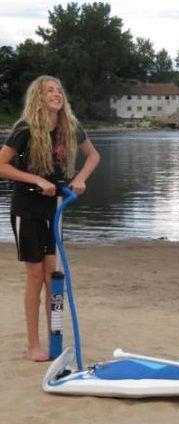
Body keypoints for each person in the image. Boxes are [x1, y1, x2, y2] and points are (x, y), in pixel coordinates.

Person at [0, 75, 100, 361]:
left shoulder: (70, 126)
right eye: (49, 91)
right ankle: (33, 345)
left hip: (55, 208)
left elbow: (93, 156)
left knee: (51, 275)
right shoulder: (25, 129)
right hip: (27, 209)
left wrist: (80, 179)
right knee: (34, 277)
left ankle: (54, 340)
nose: (56, 94)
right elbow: (1, 165)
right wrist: (34, 179)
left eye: (59, 89)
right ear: (38, 98)